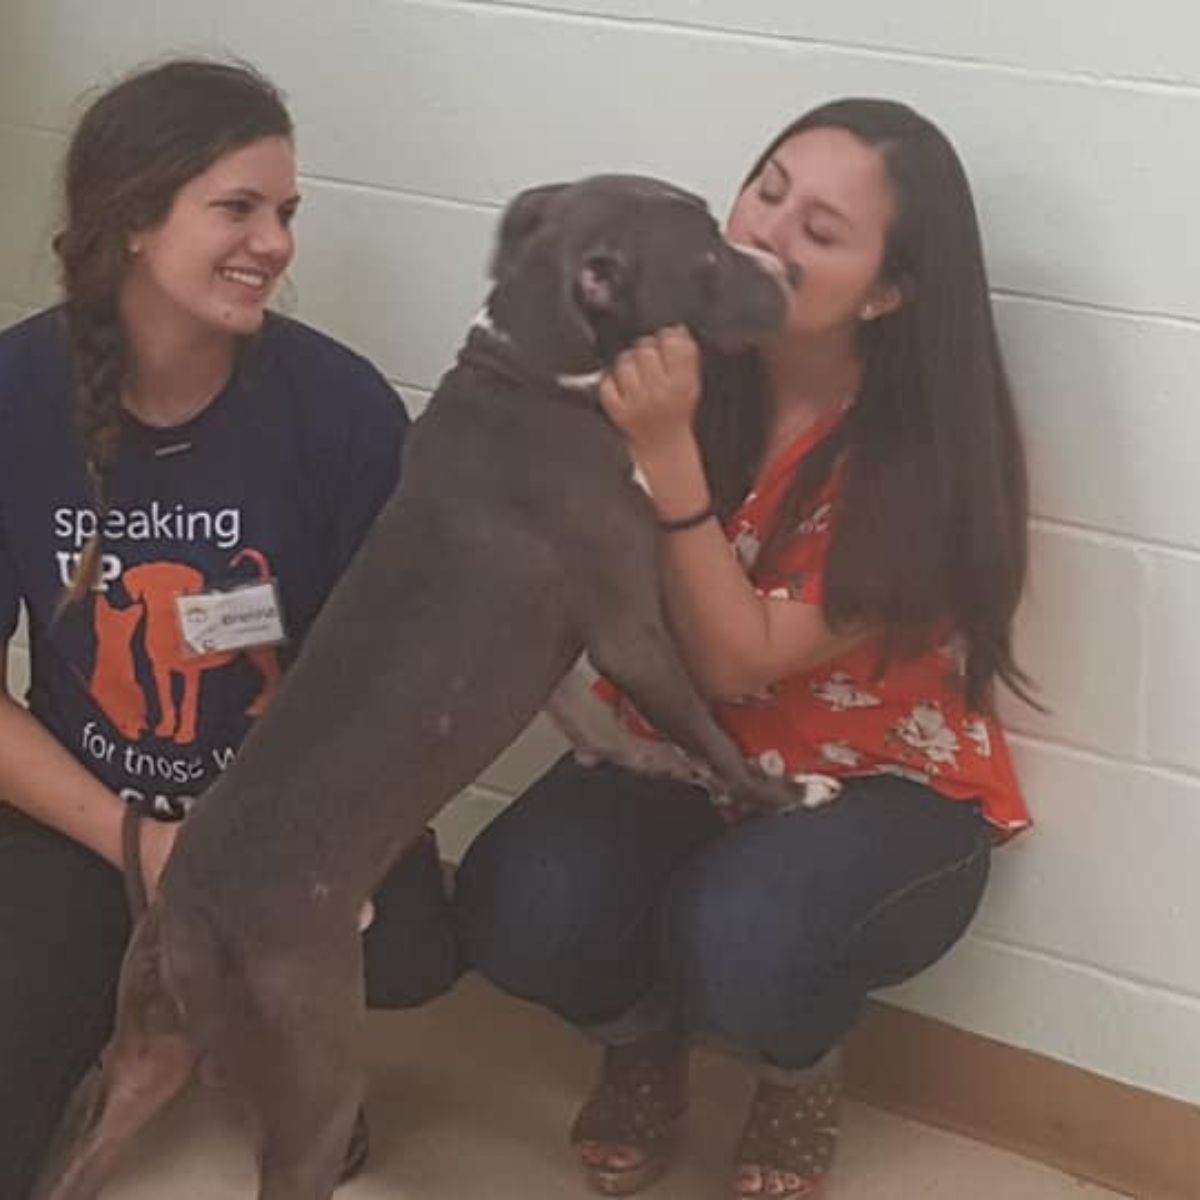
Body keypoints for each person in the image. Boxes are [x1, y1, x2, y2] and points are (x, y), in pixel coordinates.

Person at [454, 98, 1034, 1199]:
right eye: (766, 192)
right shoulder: (682, 359)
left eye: (821, 232)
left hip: (877, 786)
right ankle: (639, 1038)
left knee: (746, 932)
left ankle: (797, 1065)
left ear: (888, 291)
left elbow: (736, 658)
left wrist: (666, 456)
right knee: (515, 906)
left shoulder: (921, 456)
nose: (765, 234)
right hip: (685, 748)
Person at [0, 59, 457, 1198]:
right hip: (92, 817)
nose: (275, 243)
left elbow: (401, 696)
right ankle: (141, 1018)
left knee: (407, 945)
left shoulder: (343, 407)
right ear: (134, 222)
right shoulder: (11, 394)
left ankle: (257, 1041)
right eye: (238, 208)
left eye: (287, 212)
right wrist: (141, 847)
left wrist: (269, 841)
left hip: (290, 820)